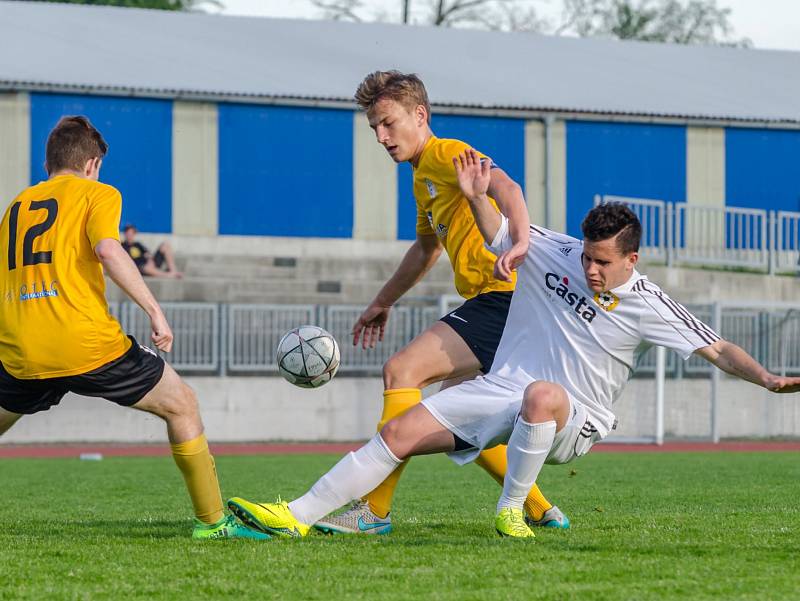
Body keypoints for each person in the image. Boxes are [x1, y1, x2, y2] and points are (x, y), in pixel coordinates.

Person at [226, 149, 800, 539]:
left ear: (632, 258)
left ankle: (512, 513)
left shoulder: (651, 302)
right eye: (586, 256)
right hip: (503, 390)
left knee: (542, 395)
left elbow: (719, 349)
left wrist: (769, 380)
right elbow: (500, 230)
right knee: (396, 434)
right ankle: (293, 516)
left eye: (603, 262)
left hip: (576, 418)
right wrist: (477, 195)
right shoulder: (555, 252)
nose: (590, 269)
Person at [316, 70, 567, 535]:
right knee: (459, 421)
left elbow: (508, 188)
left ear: (420, 115)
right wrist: (383, 301)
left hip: (503, 298)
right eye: (374, 128)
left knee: (401, 372)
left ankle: (373, 511)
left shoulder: (448, 153)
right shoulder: (420, 178)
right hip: (500, 303)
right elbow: (426, 249)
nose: (381, 137)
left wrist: (521, 242)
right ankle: (540, 509)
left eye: (388, 123)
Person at [0, 116, 265, 541]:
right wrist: (155, 311)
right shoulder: (97, 192)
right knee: (182, 404)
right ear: (91, 164)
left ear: (49, 162)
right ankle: (213, 522)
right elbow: (108, 248)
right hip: (85, 343)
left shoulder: (16, 206)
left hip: (22, 348)